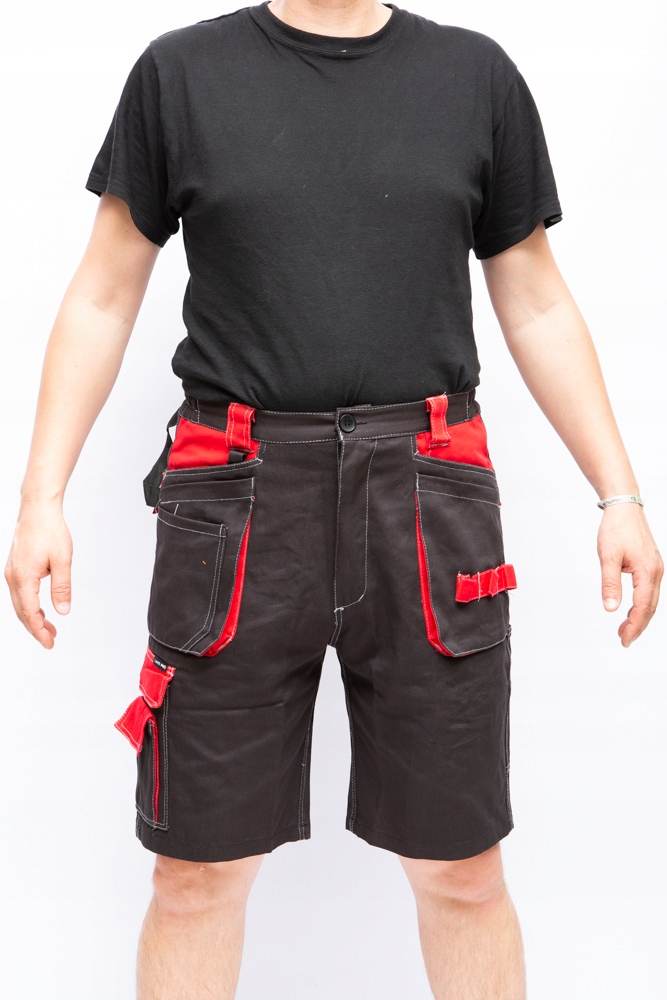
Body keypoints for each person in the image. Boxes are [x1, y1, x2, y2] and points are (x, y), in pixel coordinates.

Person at [5, 1, 662, 997]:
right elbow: (103, 292)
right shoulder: (180, 74)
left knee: (463, 870)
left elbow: (533, 296)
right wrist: (41, 494)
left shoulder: (474, 77)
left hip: (429, 504)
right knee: (193, 877)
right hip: (232, 508)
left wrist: (619, 494)